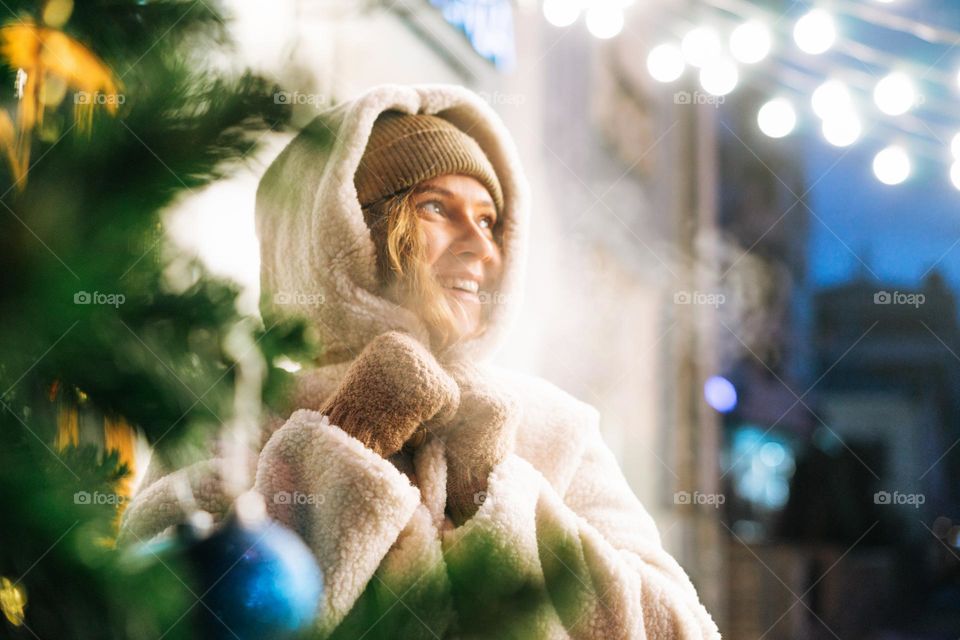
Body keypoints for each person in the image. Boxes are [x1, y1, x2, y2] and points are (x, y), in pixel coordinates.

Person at [119, 84, 722, 639]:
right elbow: (152, 616)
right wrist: (348, 440)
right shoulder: (229, 415)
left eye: (490, 220)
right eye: (437, 207)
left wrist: (490, 487)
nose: (483, 247)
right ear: (342, 230)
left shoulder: (550, 428)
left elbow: (679, 628)